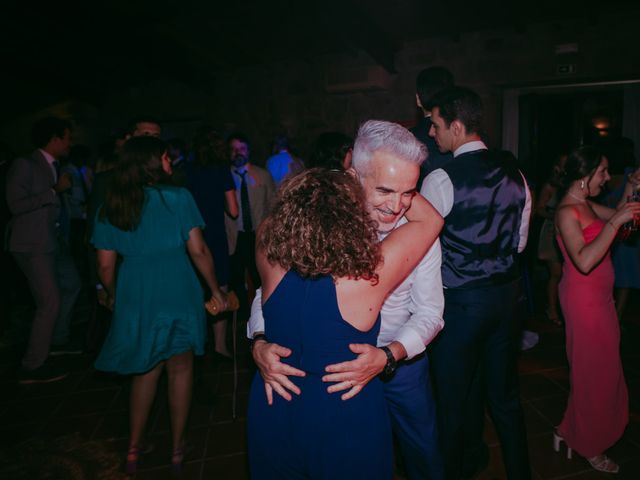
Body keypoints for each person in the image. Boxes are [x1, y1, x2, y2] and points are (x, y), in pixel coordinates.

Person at [250, 120, 446, 480]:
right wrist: (259, 340)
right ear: (353, 177)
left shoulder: (273, 239)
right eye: (386, 190)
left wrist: (389, 355)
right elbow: (261, 300)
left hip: (398, 364)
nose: (398, 205)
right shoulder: (369, 271)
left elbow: (432, 312)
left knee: (424, 451)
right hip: (345, 402)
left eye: (408, 193)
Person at [91, 136, 226, 475]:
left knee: (145, 370)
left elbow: (105, 267)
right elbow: (198, 250)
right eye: (166, 158)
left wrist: (116, 295)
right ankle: (177, 450)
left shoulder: (112, 205)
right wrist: (215, 290)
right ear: (153, 163)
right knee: (180, 369)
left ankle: (134, 449)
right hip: (177, 287)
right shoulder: (178, 198)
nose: (170, 163)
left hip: (136, 292)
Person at [421, 86, 532, 479]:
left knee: (451, 399)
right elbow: (519, 243)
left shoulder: (440, 177)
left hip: (462, 305)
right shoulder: (515, 174)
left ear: (455, 125)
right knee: (504, 398)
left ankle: (457, 469)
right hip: (508, 299)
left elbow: (423, 250)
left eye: (434, 125)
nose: (431, 133)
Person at [552, 146, 640, 474]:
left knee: (599, 372)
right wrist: (615, 221)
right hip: (583, 303)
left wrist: (631, 187)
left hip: (600, 301)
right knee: (595, 377)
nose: (607, 177)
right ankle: (589, 445)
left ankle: (566, 430)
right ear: (582, 176)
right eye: (602, 172)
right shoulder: (566, 212)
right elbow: (585, 261)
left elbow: (618, 212)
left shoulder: (585, 204)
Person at [6, 116, 82, 384]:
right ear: (55, 138)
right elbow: (15, 204)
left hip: (53, 241)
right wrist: (53, 192)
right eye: (67, 137)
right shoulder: (25, 164)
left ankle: (58, 339)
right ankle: (32, 365)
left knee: (72, 284)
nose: (70, 142)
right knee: (48, 302)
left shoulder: (55, 165)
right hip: (32, 244)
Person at [185, 129, 239, 358]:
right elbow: (234, 211)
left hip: (190, 234)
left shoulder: (186, 171)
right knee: (220, 286)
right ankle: (219, 345)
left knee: (195, 287)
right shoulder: (221, 171)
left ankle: (196, 341)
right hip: (214, 235)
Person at [225, 132, 277, 314]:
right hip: (233, 235)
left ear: (248, 151)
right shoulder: (224, 177)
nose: (237, 153)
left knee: (259, 278)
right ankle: (240, 317)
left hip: (257, 235)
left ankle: (262, 315)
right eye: (233, 149)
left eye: (241, 149)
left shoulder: (262, 175)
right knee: (236, 278)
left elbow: (273, 204)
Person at [535, 153, 568, 325]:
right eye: (564, 164)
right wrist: (555, 215)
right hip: (550, 233)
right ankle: (552, 309)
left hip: (569, 232)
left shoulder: (571, 185)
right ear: (557, 167)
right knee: (556, 274)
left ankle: (565, 309)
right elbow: (539, 209)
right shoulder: (550, 186)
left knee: (567, 274)